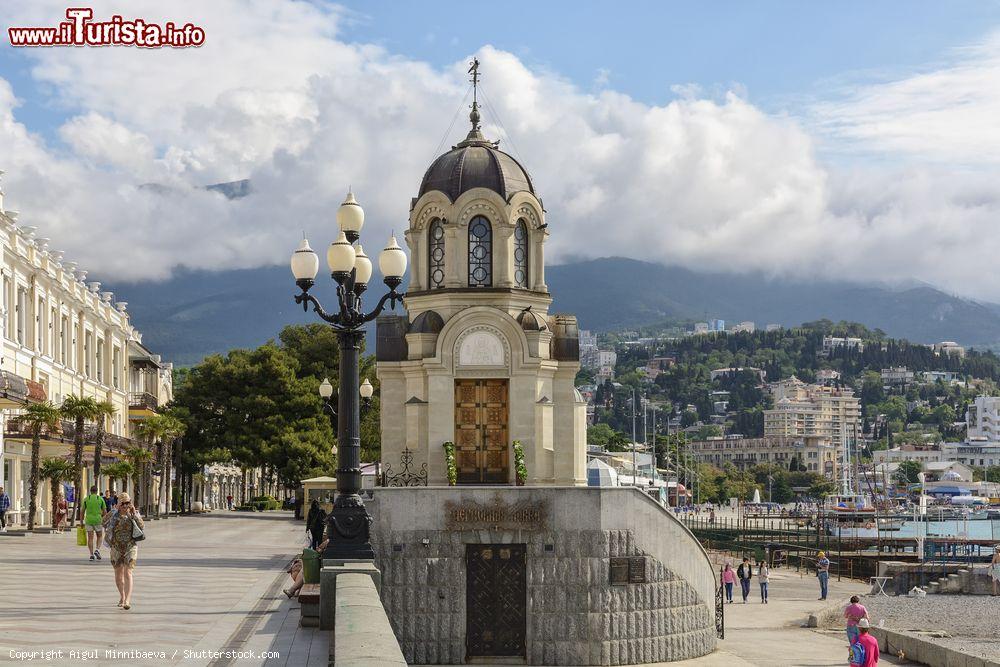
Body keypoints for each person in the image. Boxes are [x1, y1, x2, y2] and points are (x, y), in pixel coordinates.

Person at [102, 493, 144, 609]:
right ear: (119, 503)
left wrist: (134, 513)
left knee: (128, 572)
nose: (125, 506)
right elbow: (103, 522)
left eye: (127, 503)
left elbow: (142, 526)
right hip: (116, 547)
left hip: (131, 546)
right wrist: (114, 510)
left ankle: (127, 600)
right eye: (123, 503)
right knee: (118, 575)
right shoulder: (114, 514)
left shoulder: (133, 514)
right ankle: (122, 596)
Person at [82, 485, 107, 561]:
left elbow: (82, 511)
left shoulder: (86, 499)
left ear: (90, 491)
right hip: (98, 520)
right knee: (99, 536)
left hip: (89, 520)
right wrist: (104, 520)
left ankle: (91, 554)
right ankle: (97, 550)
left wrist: (81, 522)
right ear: (97, 491)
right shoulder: (100, 499)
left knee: (90, 538)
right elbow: (105, 511)